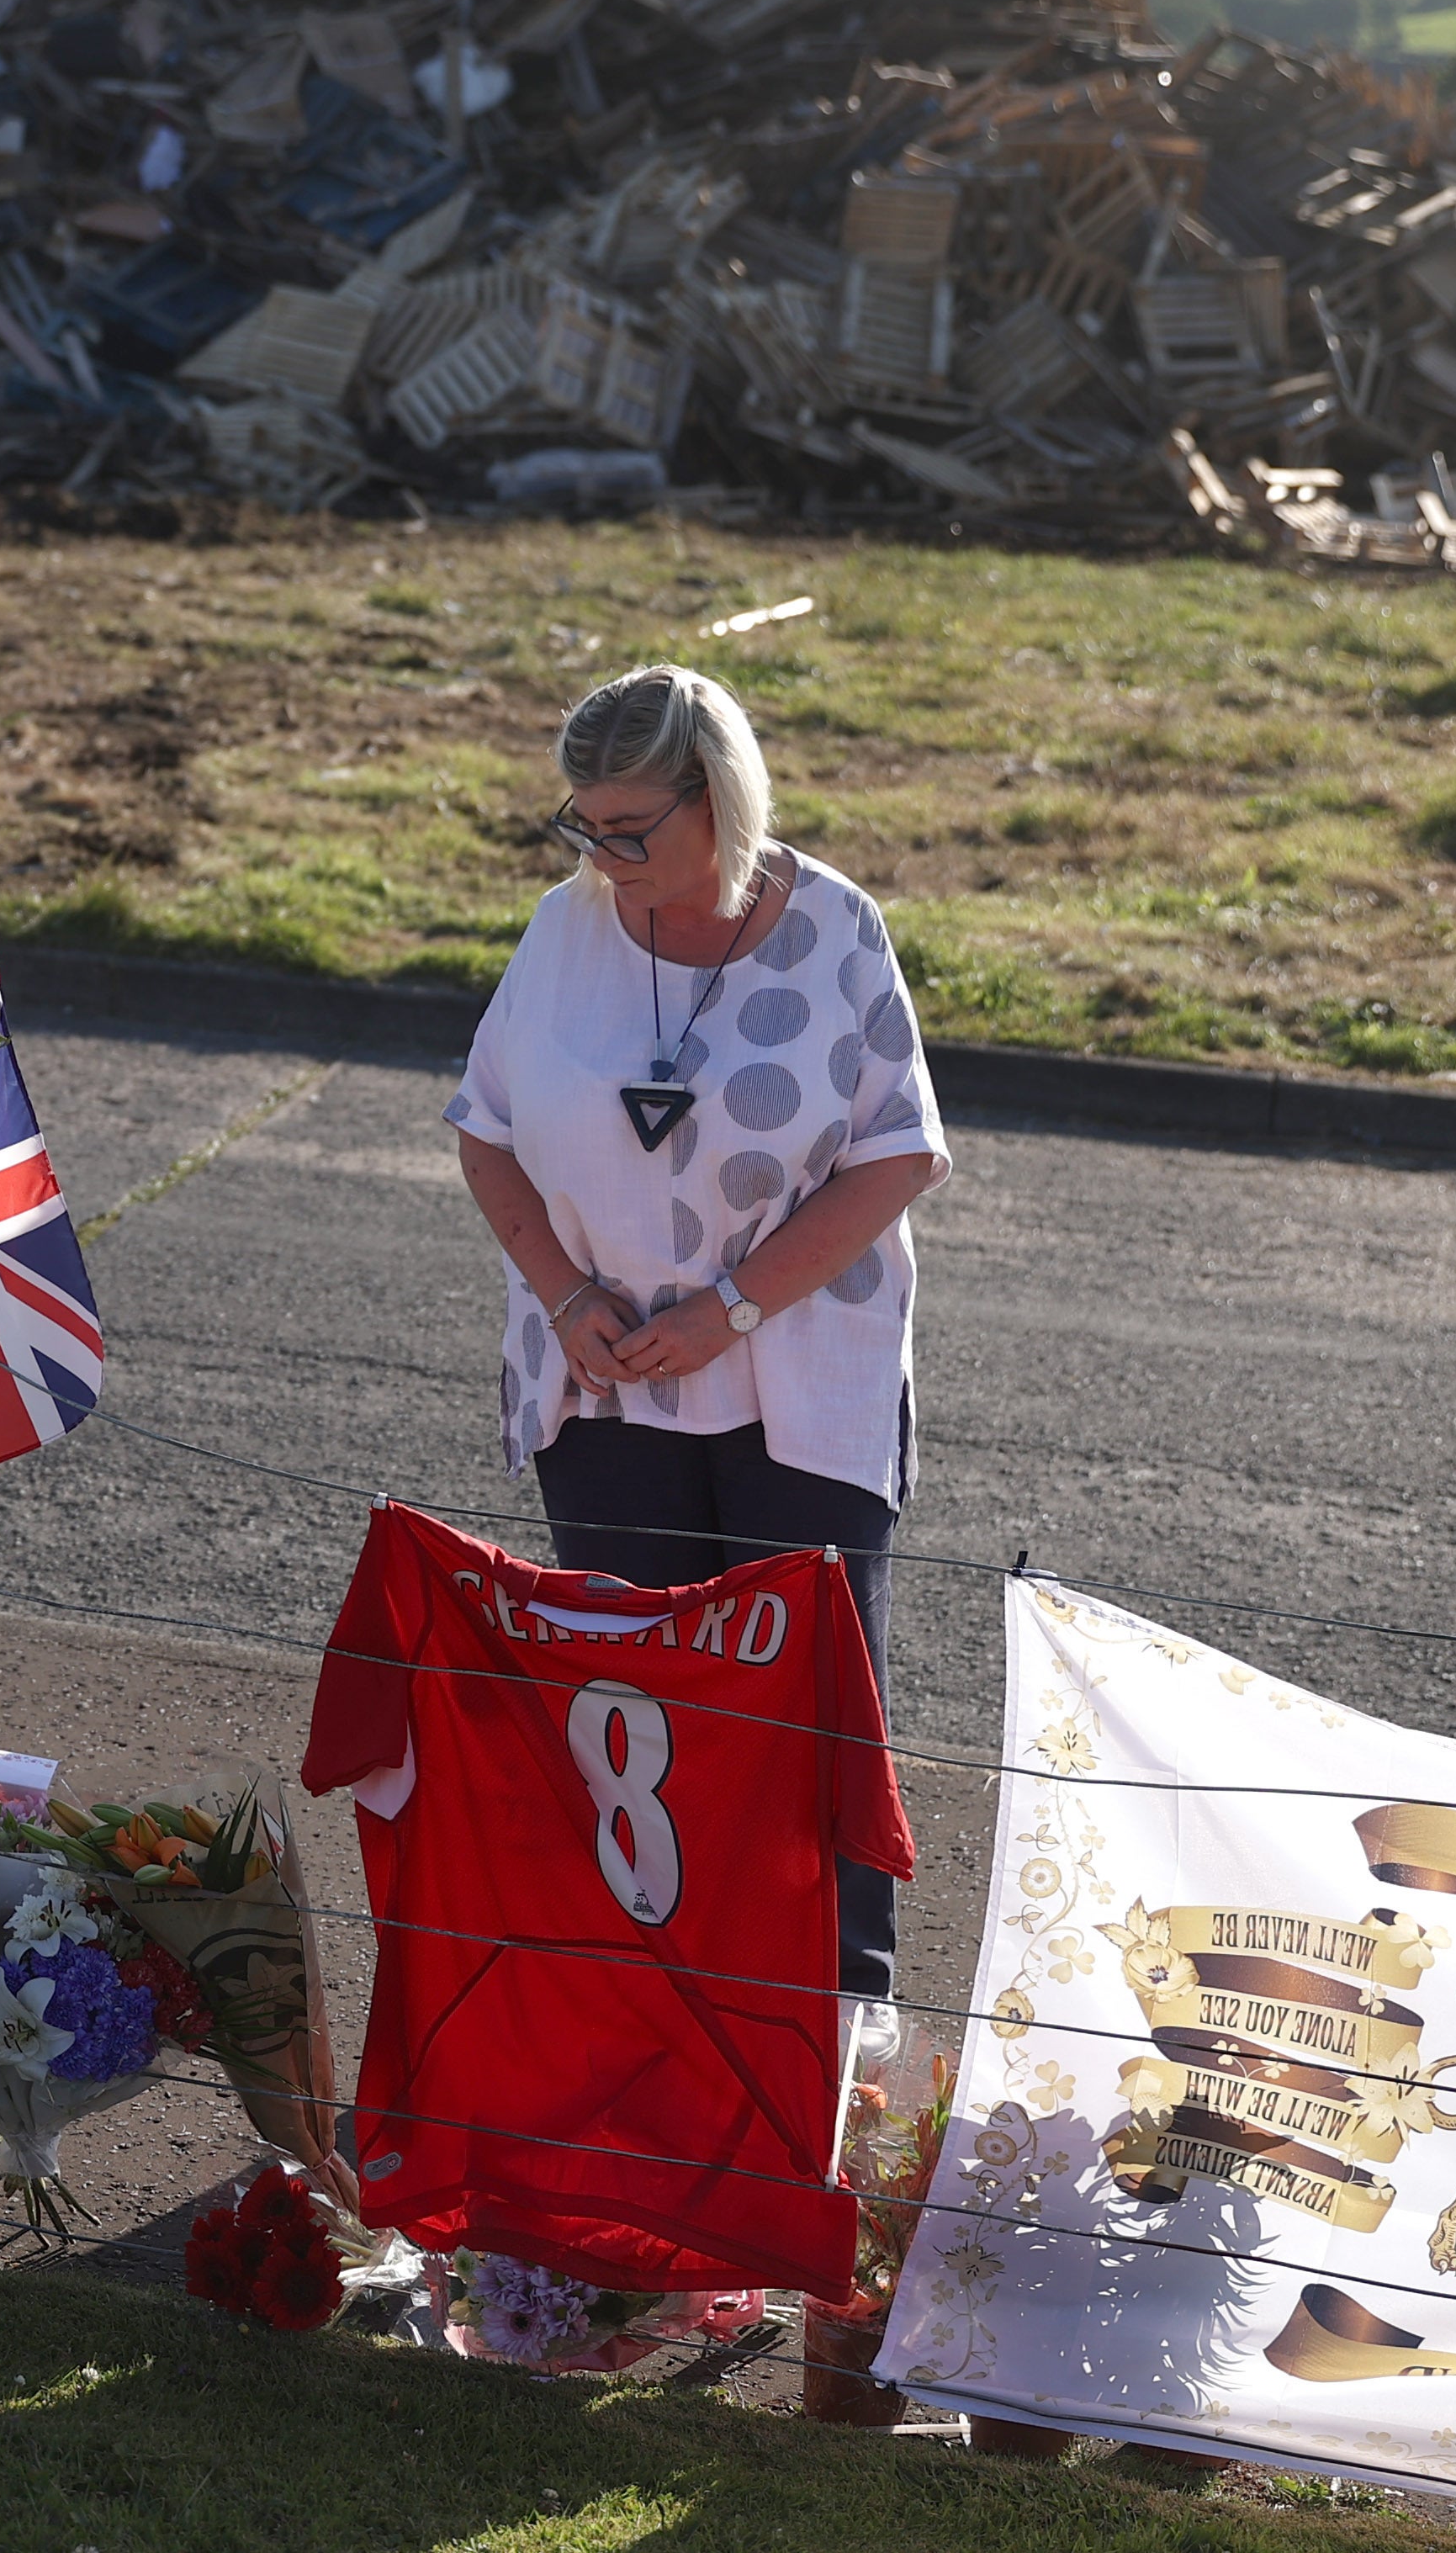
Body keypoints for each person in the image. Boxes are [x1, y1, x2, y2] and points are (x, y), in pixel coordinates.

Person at [444, 662, 946, 2037]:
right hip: (604, 1389)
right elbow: (483, 1129)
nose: (605, 861)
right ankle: (656, 2008)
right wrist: (560, 1297)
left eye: (631, 831)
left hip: (800, 1387)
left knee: (811, 1712)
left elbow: (897, 1159)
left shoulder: (839, 928)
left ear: (715, 801)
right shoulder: (565, 932)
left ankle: (841, 2015)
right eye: (584, 828)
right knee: (635, 1709)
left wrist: (726, 1313)